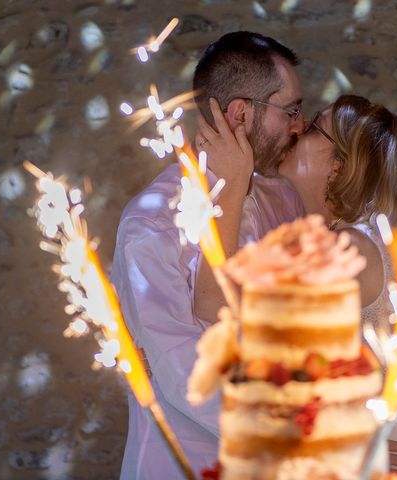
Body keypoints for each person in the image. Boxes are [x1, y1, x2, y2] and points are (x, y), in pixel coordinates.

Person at [111, 32, 306, 479]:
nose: (299, 125)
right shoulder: (151, 223)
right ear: (240, 115)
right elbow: (182, 371)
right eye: (291, 110)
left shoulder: (282, 201)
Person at [278, 94, 397, 479]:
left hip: (374, 454)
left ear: (339, 167)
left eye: (314, 126)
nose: (296, 129)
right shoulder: (356, 239)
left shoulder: (347, 248)